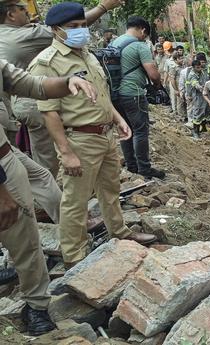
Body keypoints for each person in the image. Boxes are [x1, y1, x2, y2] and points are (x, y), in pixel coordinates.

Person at [29, 3, 157, 268]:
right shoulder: (47, 63)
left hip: (105, 135)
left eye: (82, 26)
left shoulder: (86, 55)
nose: (80, 31)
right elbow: (49, 112)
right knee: (75, 202)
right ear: (56, 31)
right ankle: (74, 258)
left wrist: (118, 119)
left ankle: (119, 232)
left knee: (110, 189)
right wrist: (65, 152)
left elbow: (101, 96)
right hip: (79, 139)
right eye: (73, 28)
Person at [1, 53, 98, 337]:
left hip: (7, 151)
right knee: (22, 233)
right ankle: (37, 305)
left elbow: (31, 84)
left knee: (40, 179)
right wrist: (2, 192)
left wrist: (68, 81)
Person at [0, 0, 122, 177]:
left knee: (21, 155)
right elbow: (71, 23)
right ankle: (50, 194)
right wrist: (104, 7)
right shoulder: (28, 37)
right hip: (35, 101)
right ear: (10, 14)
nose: (27, 13)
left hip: (15, 104)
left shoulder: (5, 34)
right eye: (22, 9)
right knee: (49, 158)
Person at [111, 17, 165, 179]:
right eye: (146, 35)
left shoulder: (114, 43)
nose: (145, 38)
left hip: (114, 94)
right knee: (140, 131)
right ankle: (144, 168)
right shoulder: (139, 45)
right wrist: (157, 85)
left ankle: (131, 165)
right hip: (133, 93)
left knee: (124, 129)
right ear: (142, 30)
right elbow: (153, 74)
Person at [186, 60, 209, 139]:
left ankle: (204, 128)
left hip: (204, 95)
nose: (199, 69)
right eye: (197, 67)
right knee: (198, 112)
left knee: (205, 111)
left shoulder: (202, 72)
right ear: (193, 67)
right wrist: (201, 88)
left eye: (200, 67)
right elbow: (195, 83)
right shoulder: (192, 75)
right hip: (197, 95)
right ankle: (196, 132)